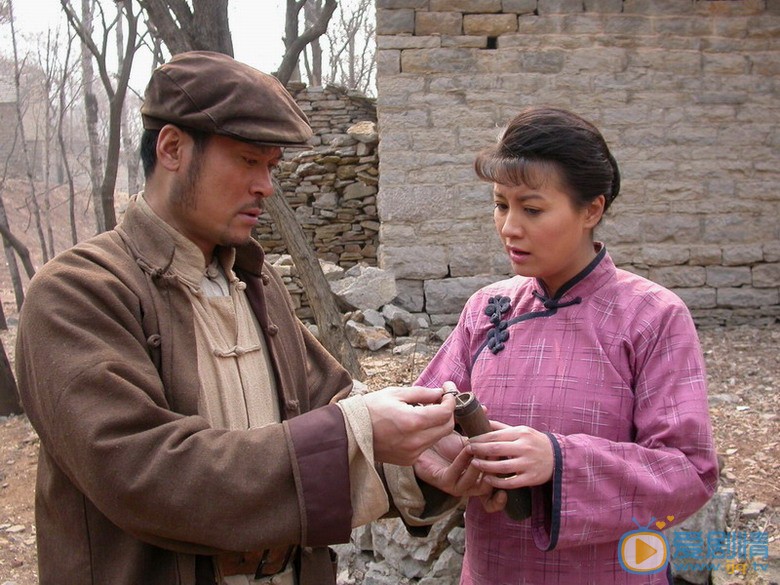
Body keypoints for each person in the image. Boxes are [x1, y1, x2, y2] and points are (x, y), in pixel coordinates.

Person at [14, 50, 458, 585]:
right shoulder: (79, 292)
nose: (266, 186)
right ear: (173, 148)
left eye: (271, 166)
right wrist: (357, 430)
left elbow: (329, 410)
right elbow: (145, 474)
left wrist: (427, 458)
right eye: (249, 161)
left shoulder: (254, 281)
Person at [412, 106, 719, 584]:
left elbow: (689, 471)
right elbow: (420, 421)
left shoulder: (652, 317)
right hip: (493, 571)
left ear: (591, 209)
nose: (510, 227)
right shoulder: (486, 308)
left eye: (532, 209)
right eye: (500, 204)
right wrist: (456, 462)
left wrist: (557, 461)